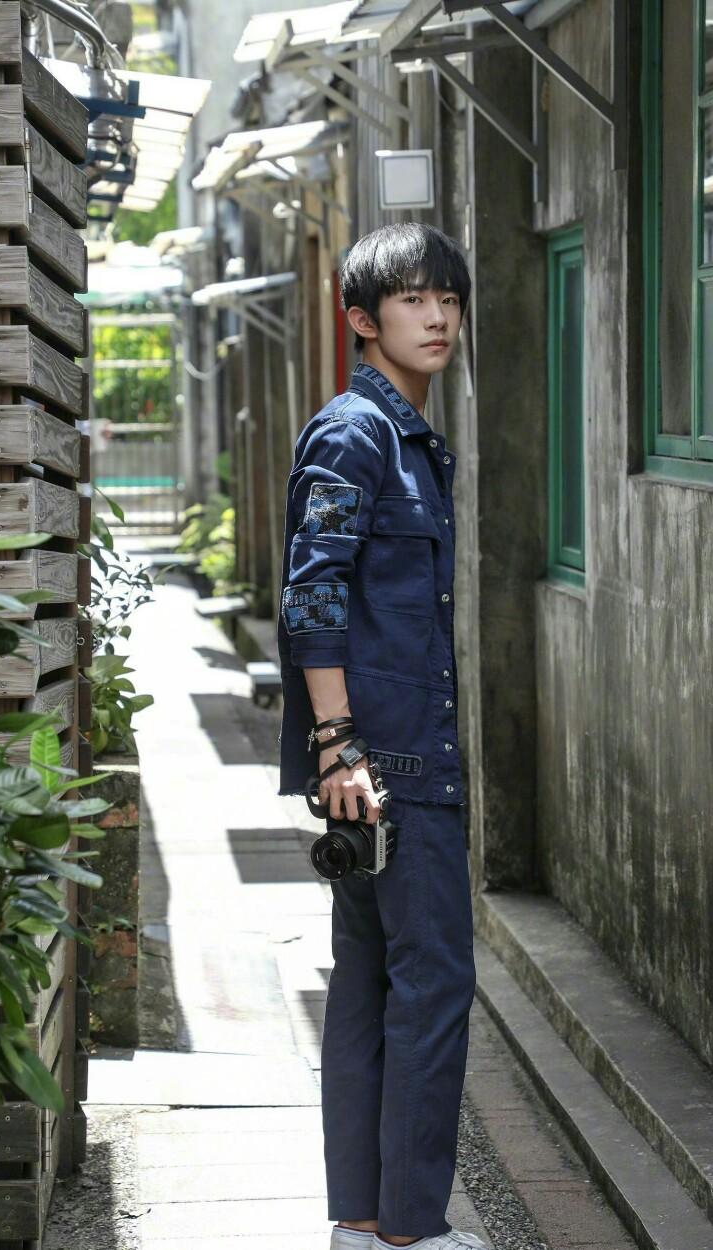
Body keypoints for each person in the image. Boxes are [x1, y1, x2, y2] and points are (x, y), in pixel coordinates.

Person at [276, 222, 485, 1250]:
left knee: (369, 981)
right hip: (386, 761)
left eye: (447, 297)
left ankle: (365, 1219)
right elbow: (311, 593)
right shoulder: (357, 434)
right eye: (411, 299)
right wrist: (338, 744)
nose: (437, 316)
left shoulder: (405, 436)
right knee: (432, 980)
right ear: (361, 319)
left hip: (380, 757)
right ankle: (412, 1228)